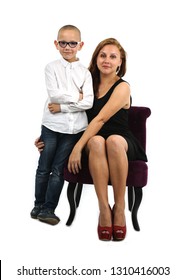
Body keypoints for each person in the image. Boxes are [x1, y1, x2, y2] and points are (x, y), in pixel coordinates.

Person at [35, 38, 147, 241]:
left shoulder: (123, 87)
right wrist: (48, 135)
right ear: (96, 58)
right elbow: (65, 108)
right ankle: (104, 209)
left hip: (121, 140)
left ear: (120, 62)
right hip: (91, 139)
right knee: (96, 141)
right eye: (102, 55)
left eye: (113, 57)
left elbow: (101, 119)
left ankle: (119, 208)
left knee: (111, 140)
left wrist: (77, 148)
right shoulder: (86, 83)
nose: (107, 60)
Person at [31, 25, 94, 225]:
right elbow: (54, 95)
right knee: (43, 167)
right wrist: (78, 96)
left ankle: (49, 209)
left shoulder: (85, 73)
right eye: (63, 43)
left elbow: (89, 102)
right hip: (51, 125)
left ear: (80, 45)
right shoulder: (51, 67)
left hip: (73, 129)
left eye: (73, 43)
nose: (68, 47)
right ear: (56, 44)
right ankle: (38, 205)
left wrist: (64, 107)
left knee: (58, 169)